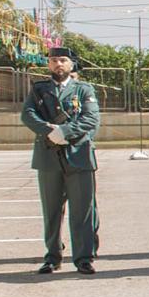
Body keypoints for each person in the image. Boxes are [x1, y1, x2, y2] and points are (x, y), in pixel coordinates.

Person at [20, 47, 101, 275]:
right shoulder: (39, 90)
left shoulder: (83, 89)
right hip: (48, 158)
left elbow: (90, 119)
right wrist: (48, 130)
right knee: (52, 210)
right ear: (49, 64)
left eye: (63, 60)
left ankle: (83, 258)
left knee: (82, 210)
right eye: (54, 60)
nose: (58, 64)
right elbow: (27, 115)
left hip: (79, 157)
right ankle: (52, 256)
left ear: (71, 64)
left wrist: (64, 131)